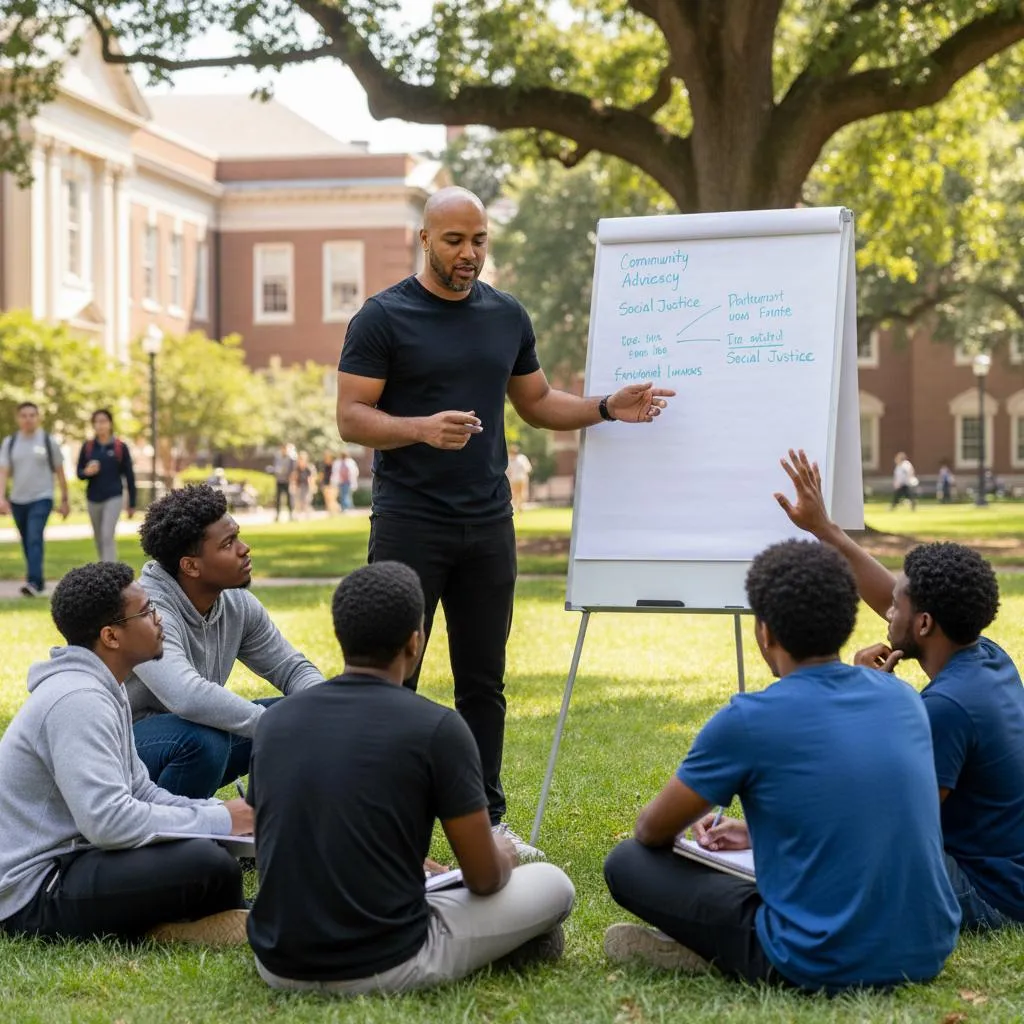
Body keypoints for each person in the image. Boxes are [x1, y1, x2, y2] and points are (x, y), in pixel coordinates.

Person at [337, 185, 675, 858]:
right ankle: (380, 821)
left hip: (488, 523)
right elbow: (351, 418)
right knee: (391, 674)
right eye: (455, 241)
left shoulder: (505, 316)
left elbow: (538, 402)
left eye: (479, 240)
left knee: (483, 680)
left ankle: (485, 821)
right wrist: (420, 430)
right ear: (425, 240)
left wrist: (608, 406)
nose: (469, 254)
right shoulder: (383, 318)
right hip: (410, 522)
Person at [603, 539, 960, 991]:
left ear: (765, 632)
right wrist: (758, 833)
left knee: (627, 862)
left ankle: (709, 953)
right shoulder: (904, 699)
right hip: (926, 947)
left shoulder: (748, 720)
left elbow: (651, 831)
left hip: (816, 961)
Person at [247, 561, 575, 995]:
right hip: (386, 961)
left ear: (340, 636)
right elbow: (483, 879)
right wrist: (504, 853)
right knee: (554, 884)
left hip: (276, 961)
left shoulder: (275, 721)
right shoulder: (438, 727)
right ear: (415, 641)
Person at [777, 448, 1024, 931]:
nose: (887, 611)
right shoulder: (986, 655)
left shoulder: (946, 707)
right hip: (1009, 874)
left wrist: (867, 701)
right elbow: (891, 593)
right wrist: (825, 529)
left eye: (896, 607)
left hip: (988, 895)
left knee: (837, 860)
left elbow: (893, 822)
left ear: (926, 622)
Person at [0, 562, 253, 944]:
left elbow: (140, 790)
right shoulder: (79, 699)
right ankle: (180, 924)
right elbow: (108, 822)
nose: (160, 620)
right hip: (33, 892)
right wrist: (220, 819)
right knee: (208, 864)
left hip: (75, 859)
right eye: (148, 611)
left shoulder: (104, 685)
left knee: (209, 851)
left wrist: (220, 818)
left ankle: (204, 918)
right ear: (111, 636)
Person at [125, 484, 325, 798]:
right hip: (121, 750)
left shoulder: (236, 603)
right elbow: (187, 696)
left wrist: (330, 712)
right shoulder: (145, 610)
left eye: (238, 536)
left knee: (305, 715)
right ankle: (171, 840)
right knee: (205, 739)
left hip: (192, 737)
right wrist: (271, 725)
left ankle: (266, 831)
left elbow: (292, 668)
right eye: (228, 543)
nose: (244, 549)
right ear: (190, 565)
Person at [0, 401, 70, 596]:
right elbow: (3, 471)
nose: (28, 419)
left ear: (38, 418)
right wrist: (1, 497)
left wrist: (65, 499)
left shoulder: (48, 441)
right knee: (26, 540)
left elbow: (60, 471)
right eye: (24, 415)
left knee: (33, 537)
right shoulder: (10, 442)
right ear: (18, 418)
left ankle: (34, 582)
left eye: (32, 415)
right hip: (18, 499)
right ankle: (35, 580)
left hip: (42, 497)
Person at [76, 409, 137, 564]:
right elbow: (79, 473)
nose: (100, 425)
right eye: (96, 421)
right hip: (93, 498)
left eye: (103, 421)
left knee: (107, 535)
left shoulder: (120, 447)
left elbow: (129, 476)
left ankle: (110, 572)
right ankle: (105, 567)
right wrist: (87, 472)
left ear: (110, 424)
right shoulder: (88, 447)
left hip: (114, 496)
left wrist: (132, 504)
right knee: (98, 537)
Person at [270, 443, 295, 522]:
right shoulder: (277, 458)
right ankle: (277, 515)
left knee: (289, 499)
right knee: (278, 499)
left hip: (287, 481)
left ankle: (291, 515)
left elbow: (292, 470)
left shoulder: (291, 459)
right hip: (279, 480)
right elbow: (275, 468)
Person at [506, 444, 533, 513]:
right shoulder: (508, 459)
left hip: (521, 479)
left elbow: (528, 468)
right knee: (514, 494)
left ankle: (520, 507)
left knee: (522, 493)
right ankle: (515, 506)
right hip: (513, 480)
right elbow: (507, 471)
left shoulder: (522, 458)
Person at [292, 450, 316, 518]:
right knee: (298, 501)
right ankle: (297, 516)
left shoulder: (309, 467)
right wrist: (294, 486)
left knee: (306, 501)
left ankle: (308, 515)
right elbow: (295, 477)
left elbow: (311, 478)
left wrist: (312, 487)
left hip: (307, 486)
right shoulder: (297, 468)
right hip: (299, 486)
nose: (300, 461)